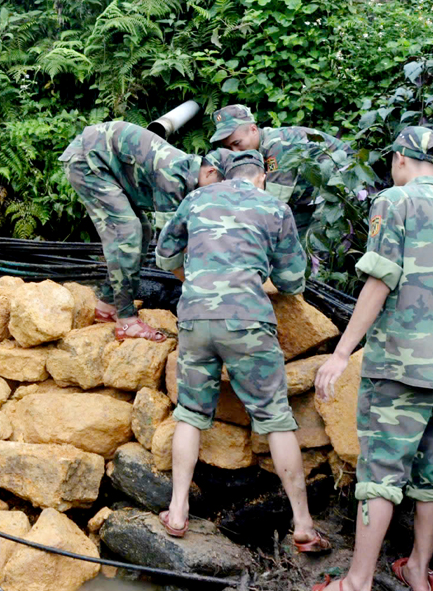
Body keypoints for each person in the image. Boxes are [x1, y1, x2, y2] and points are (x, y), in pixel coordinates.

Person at [312, 127, 433, 591]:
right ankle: (416, 570)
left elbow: (380, 280)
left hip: (398, 363)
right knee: (431, 473)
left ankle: (356, 582)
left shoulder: (395, 200)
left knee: (380, 474)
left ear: (400, 160)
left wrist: (341, 352)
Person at [155, 150, 329, 553]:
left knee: (191, 413)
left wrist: (200, 279)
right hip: (248, 322)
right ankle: (303, 523)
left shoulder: (197, 198)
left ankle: (177, 511)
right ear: (262, 175)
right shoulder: (274, 207)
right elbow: (290, 281)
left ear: (221, 173)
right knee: (275, 417)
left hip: (195, 318)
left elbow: (165, 257)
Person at [60, 120, 228, 341]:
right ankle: (126, 322)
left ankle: (107, 305)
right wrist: (202, 291)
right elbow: (170, 250)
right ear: (210, 172)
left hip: (108, 166)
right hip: (87, 161)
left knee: (143, 232)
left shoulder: (189, 175)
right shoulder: (172, 175)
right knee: (126, 233)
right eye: (219, 189)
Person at [209, 104, 352, 234]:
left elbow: (273, 203)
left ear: (253, 129)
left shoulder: (277, 145)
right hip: (314, 198)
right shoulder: (258, 150)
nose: (235, 151)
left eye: (237, 143)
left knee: (314, 249)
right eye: (229, 147)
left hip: (347, 188)